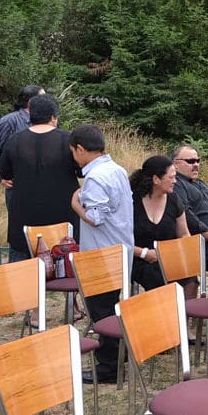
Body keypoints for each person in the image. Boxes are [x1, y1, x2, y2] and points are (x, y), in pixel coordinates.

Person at [69, 124, 134, 384]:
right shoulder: (117, 169)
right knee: (112, 307)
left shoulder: (95, 177)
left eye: (73, 151)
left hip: (101, 255)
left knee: (102, 310)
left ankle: (109, 367)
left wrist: (76, 205)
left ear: (81, 149)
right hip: (119, 250)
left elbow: (96, 217)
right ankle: (119, 356)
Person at [0, 95, 80, 263]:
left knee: (20, 273)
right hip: (63, 217)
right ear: (53, 117)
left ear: (30, 116)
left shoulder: (14, 140)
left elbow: (5, 173)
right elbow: (81, 170)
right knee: (70, 272)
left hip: (24, 217)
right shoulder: (68, 139)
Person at [130, 155, 192, 296]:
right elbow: (120, 240)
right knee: (156, 275)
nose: (175, 181)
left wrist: (183, 253)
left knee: (190, 276)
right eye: (171, 177)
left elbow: (184, 233)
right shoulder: (131, 201)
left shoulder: (174, 200)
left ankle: (183, 315)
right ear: (156, 179)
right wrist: (144, 253)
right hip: (138, 257)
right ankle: (162, 314)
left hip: (167, 257)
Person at [0, 85, 45, 207]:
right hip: (19, 188)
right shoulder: (10, 121)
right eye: (43, 97)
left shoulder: (46, 120)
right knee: (20, 225)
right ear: (30, 102)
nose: (47, 101)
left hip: (44, 186)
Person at [172, 144, 208, 291]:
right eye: (190, 161)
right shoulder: (176, 184)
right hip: (200, 242)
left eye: (197, 161)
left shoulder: (201, 184)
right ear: (175, 164)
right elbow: (185, 213)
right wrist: (207, 233)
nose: (195, 165)